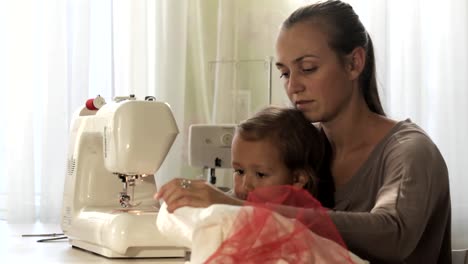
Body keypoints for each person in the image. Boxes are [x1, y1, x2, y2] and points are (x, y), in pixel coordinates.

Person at [157, 0, 451, 263]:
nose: (292, 86)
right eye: (285, 72)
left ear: (354, 63)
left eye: (308, 68)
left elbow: (392, 234)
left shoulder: (409, 152)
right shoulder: (303, 146)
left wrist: (238, 208)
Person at [156, 106, 335, 212]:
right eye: (239, 171)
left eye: (260, 174)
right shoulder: (241, 199)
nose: (246, 185)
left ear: (297, 179)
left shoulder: (308, 224)